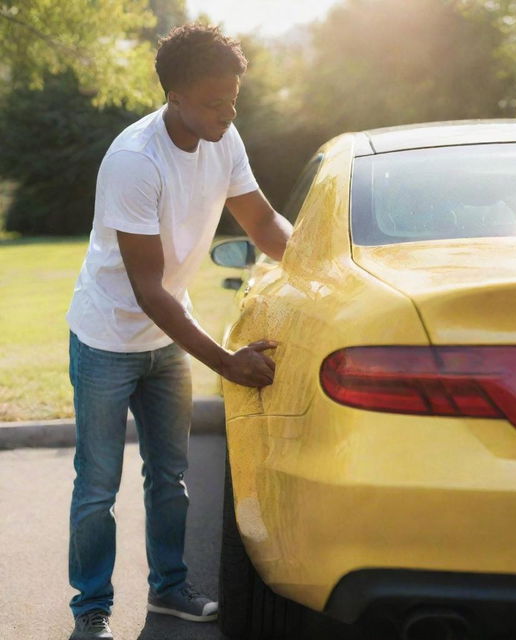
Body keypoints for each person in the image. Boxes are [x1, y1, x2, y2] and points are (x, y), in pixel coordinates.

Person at [65, 23, 292, 640]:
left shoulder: (224, 135)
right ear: (176, 97)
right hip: (108, 338)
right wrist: (227, 361)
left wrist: (324, 266)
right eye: (215, 102)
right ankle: (91, 610)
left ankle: (168, 591)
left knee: (171, 476)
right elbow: (149, 292)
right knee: (98, 485)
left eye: (233, 98)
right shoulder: (134, 162)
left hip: (167, 338)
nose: (229, 111)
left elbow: (264, 223)